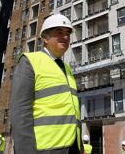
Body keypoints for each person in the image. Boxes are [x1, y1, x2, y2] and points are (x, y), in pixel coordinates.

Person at [10, 14, 83, 154]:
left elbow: (72, 111)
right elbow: (20, 112)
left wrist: (79, 147)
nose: (65, 37)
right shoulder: (30, 61)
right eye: (59, 32)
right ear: (45, 38)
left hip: (72, 147)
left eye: (67, 33)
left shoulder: (67, 69)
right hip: (45, 149)